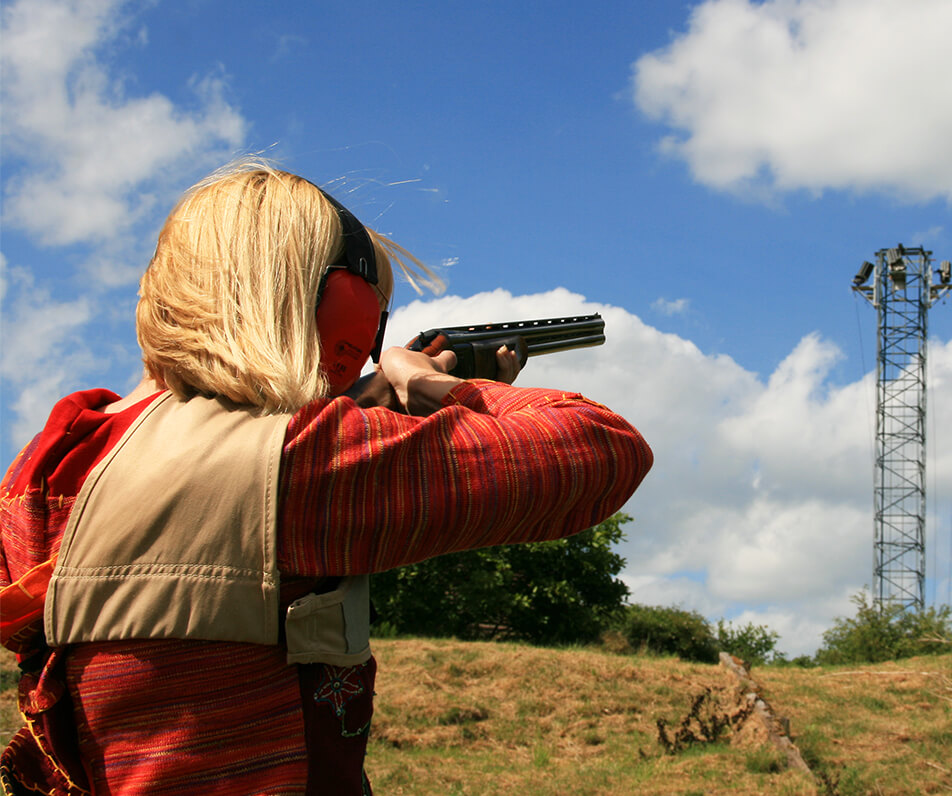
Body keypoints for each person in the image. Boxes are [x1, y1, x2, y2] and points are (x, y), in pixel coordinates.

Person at [0, 161, 653, 795]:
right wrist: (439, 386)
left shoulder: (50, 464)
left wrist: (372, 403)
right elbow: (605, 450)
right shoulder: (302, 463)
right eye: (369, 323)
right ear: (328, 308)